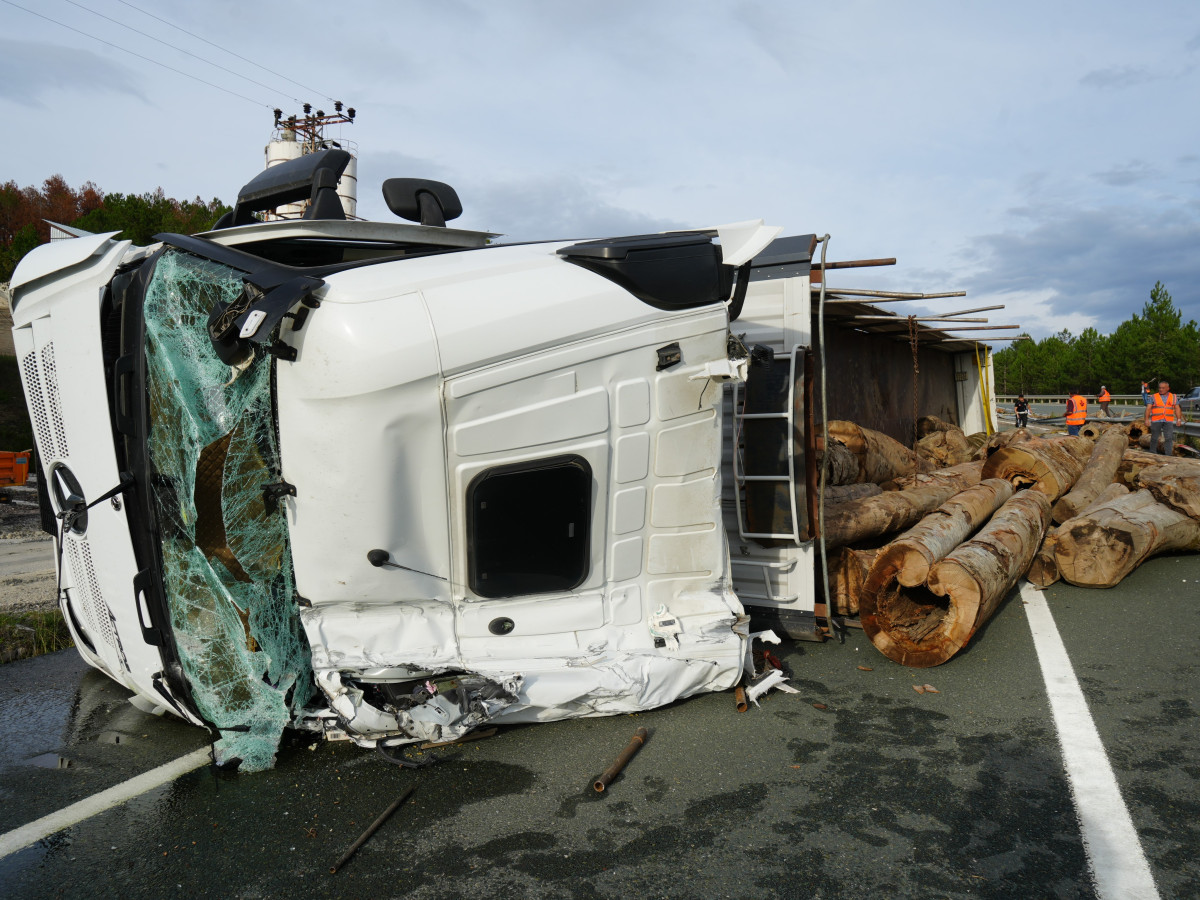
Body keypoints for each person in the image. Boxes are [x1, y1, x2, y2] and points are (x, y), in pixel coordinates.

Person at [1144, 380, 1183, 456]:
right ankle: (1152, 453)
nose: (1161, 389)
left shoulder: (1173, 397)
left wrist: (1179, 419)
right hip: (1156, 420)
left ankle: (1168, 455)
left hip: (1168, 420)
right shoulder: (1153, 396)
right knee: (1154, 438)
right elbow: (1148, 408)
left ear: (1168, 388)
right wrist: (1146, 419)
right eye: (1160, 388)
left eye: (1163, 388)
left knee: (1168, 438)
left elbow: (1177, 408)